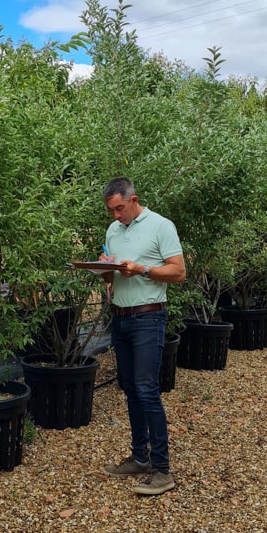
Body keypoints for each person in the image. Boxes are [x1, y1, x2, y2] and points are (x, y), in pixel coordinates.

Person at [99, 177, 186, 495]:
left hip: (149, 317)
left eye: (119, 208)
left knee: (148, 391)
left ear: (134, 200)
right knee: (132, 389)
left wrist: (143, 269)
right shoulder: (113, 231)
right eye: (111, 210)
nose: (116, 216)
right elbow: (112, 276)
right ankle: (140, 457)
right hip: (120, 318)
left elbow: (178, 272)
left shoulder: (161, 226)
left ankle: (163, 471)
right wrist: (105, 268)